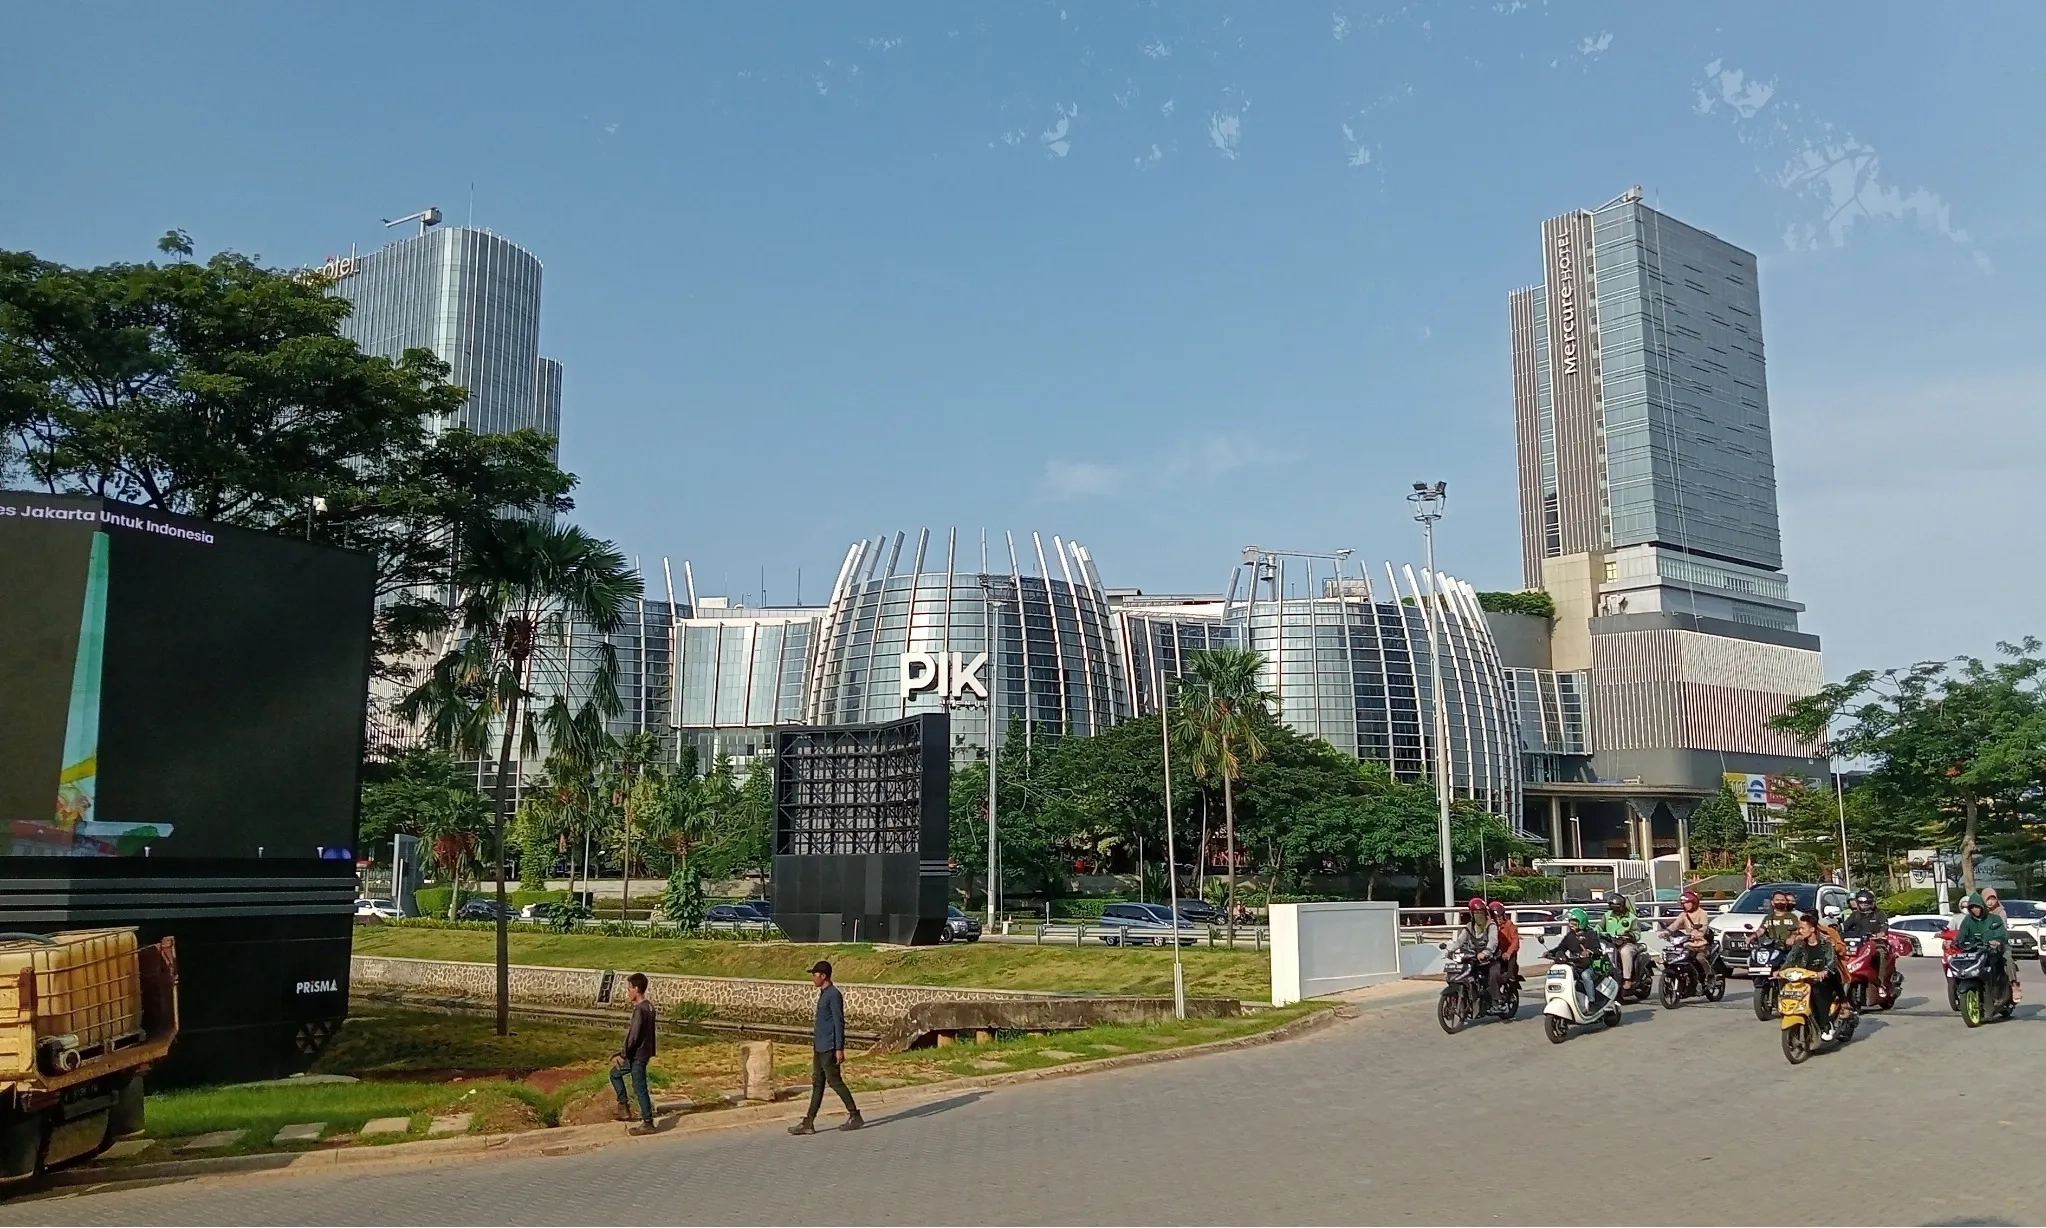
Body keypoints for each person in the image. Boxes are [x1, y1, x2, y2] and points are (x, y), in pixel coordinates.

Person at [789, 960, 863, 1135]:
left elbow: (838, 1022)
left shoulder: (833, 995)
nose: (813, 978)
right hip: (819, 1045)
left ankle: (855, 1114)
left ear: (823, 976)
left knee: (835, 1081)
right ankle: (809, 1122)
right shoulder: (823, 994)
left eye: (815, 975)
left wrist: (839, 1048)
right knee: (818, 1083)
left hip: (829, 1046)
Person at [1781, 912, 1845, 1039]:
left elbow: (1831, 961)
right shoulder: (1799, 944)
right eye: (1799, 928)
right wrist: (1781, 970)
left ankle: (1826, 1025)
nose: (1799, 931)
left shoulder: (1826, 944)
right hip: (1804, 979)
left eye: (1802, 928)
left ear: (1812, 929)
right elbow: (1790, 960)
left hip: (1824, 980)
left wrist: (1825, 971)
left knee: (1817, 993)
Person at [610, 972, 657, 1133]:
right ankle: (623, 1107)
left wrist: (623, 1054)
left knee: (640, 1087)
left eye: (629, 989)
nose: (628, 992)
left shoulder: (640, 1010)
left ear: (636, 989)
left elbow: (634, 1035)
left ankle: (648, 1122)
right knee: (615, 1074)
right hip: (641, 1053)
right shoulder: (649, 1007)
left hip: (637, 1055)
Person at [1957, 892, 2013, 1003]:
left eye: (1977, 907)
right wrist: (1955, 942)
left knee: (2001, 963)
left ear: (1982, 906)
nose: (1975, 910)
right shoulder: (1967, 920)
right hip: (1975, 952)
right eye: (1972, 907)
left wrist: (1997, 941)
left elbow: (2002, 935)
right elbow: (1961, 937)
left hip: (1993, 952)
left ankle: (2000, 991)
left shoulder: (1994, 919)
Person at [1838, 888, 1893, 1000]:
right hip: (1858, 944)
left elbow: (1884, 926)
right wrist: (1835, 928)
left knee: (1881, 953)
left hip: (1876, 943)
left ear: (1872, 903)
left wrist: (1880, 934)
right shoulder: (1855, 915)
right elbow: (1844, 926)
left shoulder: (1879, 914)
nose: (1864, 906)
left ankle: (1880, 983)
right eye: (1862, 903)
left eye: (1867, 903)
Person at [1446, 897, 1502, 1003]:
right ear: (1471, 914)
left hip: (1491, 958)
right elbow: (1460, 940)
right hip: (1474, 958)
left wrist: (1485, 952)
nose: (1478, 915)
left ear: (1485, 912)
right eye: (1476, 913)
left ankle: (1495, 1002)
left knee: (1493, 976)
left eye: (1480, 912)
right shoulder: (1469, 926)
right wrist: (1451, 950)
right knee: (1463, 972)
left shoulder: (1491, 925)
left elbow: (1493, 942)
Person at [1548, 908, 1604, 1008]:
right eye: (1570, 922)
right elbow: (1561, 948)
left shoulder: (1590, 934)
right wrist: (1550, 953)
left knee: (1585, 976)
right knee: (1562, 975)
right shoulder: (1570, 936)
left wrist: (1589, 952)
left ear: (1581, 922)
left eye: (1574, 922)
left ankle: (1592, 1002)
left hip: (1591, 966)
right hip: (1576, 965)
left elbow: (1598, 950)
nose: (1571, 924)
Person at [1660, 891, 1714, 983]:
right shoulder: (1683, 915)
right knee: (1679, 956)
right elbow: (1675, 924)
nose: (1685, 905)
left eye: (1687, 903)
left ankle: (1709, 974)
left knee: (1700, 958)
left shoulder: (1702, 913)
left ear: (1694, 903)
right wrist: (1666, 932)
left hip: (1701, 944)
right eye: (1684, 903)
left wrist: (1697, 933)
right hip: (1689, 944)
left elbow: (1704, 927)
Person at [1980, 888, 2022, 1001]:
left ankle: (2014, 986)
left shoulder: (2001, 912)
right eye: (1987, 899)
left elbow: (2002, 930)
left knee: (2007, 958)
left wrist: (1997, 940)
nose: (1990, 902)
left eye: (1993, 899)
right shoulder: (1979, 912)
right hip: (1982, 944)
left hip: (2000, 943)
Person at [1598, 896, 1643, 993]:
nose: (1616, 910)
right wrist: (1593, 933)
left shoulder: (1632, 917)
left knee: (1625, 952)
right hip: (1610, 942)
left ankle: (1627, 979)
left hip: (1627, 943)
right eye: (1613, 908)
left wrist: (1630, 935)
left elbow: (1637, 933)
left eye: (1618, 907)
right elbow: (1599, 927)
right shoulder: (1607, 915)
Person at [1487, 900, 1522, 987]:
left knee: (1511, 971)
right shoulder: (1489, 926)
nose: (1498, 919)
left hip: (1507, 954)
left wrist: (1508, 953)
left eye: (1499, 917)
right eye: (1495, 917)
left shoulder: (1509, 925)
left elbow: (1515, 940)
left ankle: (1510, 977)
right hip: (1494, 954)